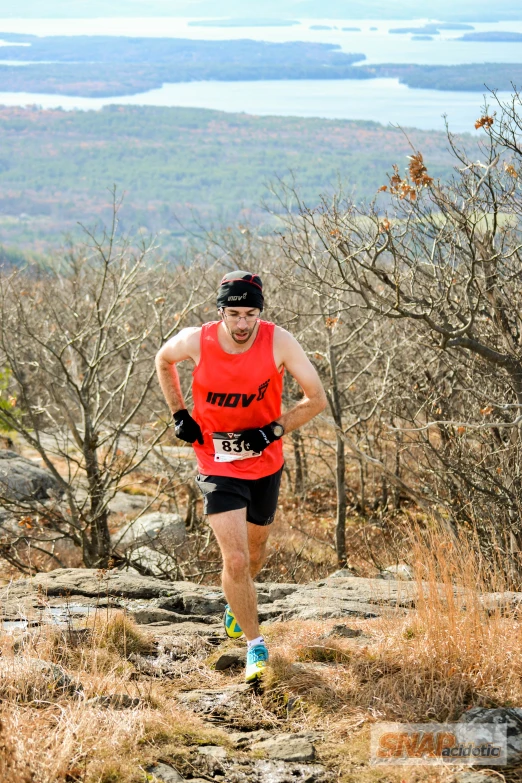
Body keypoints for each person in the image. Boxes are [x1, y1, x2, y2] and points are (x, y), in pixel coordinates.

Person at [155, 270, 327, 682]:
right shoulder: (198, 339)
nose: (243, 324)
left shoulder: (279, 342)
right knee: (234, 558)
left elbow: (317, 399)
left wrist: (272, 430)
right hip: (215, 462)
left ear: (260, 313)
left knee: (254, 554)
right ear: (221, 312)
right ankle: (256, 647)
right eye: (234, 314)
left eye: (251, 314)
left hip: (265, 463)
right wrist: (180, 414)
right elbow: (163, 360)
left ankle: (237, 602)